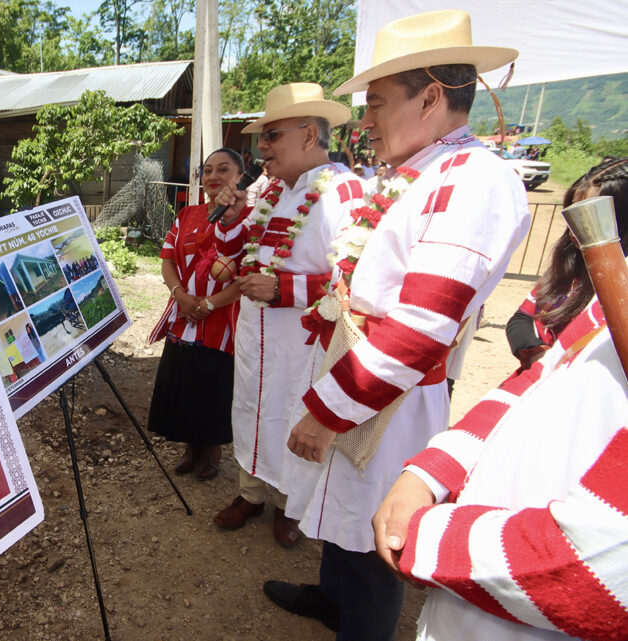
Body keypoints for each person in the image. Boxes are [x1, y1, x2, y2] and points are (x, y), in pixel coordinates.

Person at [263, 10, 532, 640]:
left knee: (372, 520)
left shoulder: (476, 180)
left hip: (392, 391)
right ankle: (334, 598)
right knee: (344, 509)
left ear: (433, 96)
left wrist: (325, 412)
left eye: (377, 103)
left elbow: (419, 328)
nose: (365, 121)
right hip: (365, 375)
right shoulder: (422, 171)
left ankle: (362, 625)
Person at [373, 297, 628, 639]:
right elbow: (536, 378)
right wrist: (428, 474)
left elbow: (601, 570)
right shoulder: (614, 282)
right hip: (470, 601)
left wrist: (424, 538)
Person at [208, 83, 362, 546]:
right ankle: (251, 494)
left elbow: (355, 282)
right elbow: (233, 255)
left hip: (303, 342)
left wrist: (284, 289)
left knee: (293, 412)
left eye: (272, 135)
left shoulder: (344, 191)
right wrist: (231, 217)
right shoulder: (271, 190)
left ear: (309, 137)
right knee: (254, 408)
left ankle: (291, 508)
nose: (262, 148)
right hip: (255, 334)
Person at [146, 148, 247, 480]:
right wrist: (181, 296)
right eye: (207, 170)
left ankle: (212, 449)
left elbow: (247, 274)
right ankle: (191, 446)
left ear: (240, 176)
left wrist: (209, 304)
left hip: (223, 318)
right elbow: (167, 260)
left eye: (224, 169)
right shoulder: (187, 214)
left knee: (213, 384)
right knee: (185, 379)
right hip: (184, 313)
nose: (213, 177)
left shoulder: (249, 219)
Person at [506, 158, 628, 369]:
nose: (573, 231)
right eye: (572, 217)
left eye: (587, 219)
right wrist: (537, 354)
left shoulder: (619, 288)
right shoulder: (573, 265)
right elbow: (522, 318)